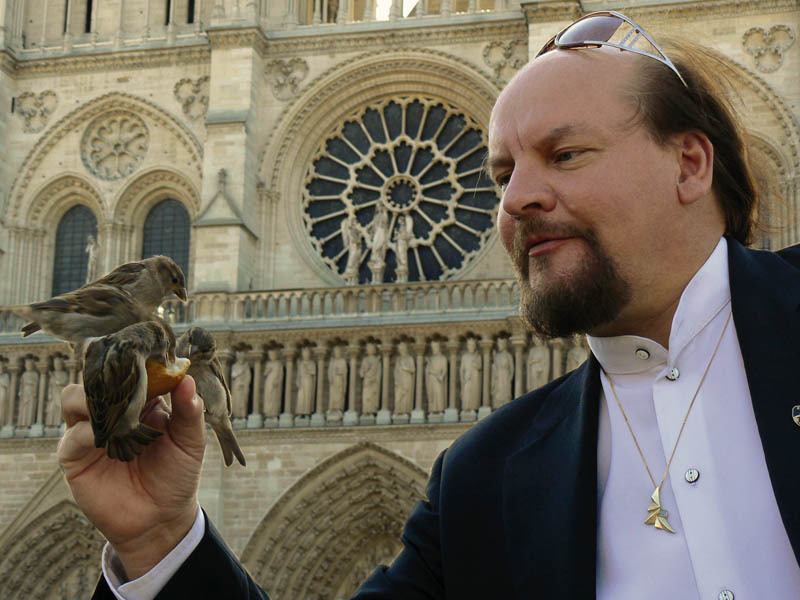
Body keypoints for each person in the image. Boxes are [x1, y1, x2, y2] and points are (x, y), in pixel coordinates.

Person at [58, 11, 800, 599]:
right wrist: (161, 539)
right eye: (501, 173)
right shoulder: (480, 481)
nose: (514, 201)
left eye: (566, 154)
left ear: (691, 163)